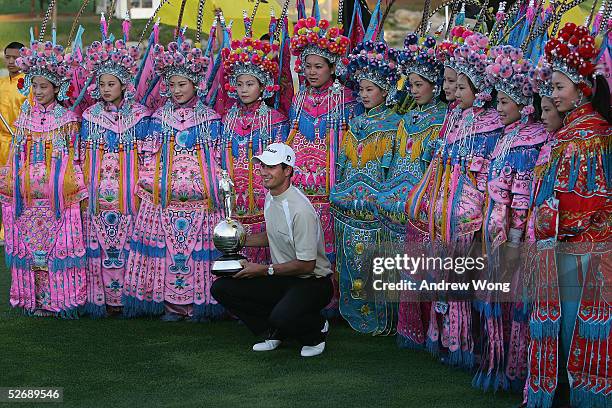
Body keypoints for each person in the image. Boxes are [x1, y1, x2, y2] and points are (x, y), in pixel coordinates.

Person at [524, 24, 611, 408]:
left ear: (582, 87)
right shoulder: (572, 132)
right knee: (566, 331)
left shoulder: (589, 134)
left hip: (581, 251)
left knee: (576, 333)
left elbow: (588, 202)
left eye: (560, 87)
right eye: (553, 87)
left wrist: (548, 222)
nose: (554, 95)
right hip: (567, 248)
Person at [406, 32, 503, 368]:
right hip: (447, 203)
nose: (453, 91)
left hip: (469, 210)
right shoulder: (455, 116)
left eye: (460, 85)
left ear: (480, 89)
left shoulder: (489, 125)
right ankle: (446, 337)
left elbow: (485, 178)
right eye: (452, 84)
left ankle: (466, 343)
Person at [122, 39, 224, 321]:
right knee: (167, 250)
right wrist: (150, 186)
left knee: (197, 251)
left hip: (202, 201)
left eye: (183, 84)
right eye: (172, 84)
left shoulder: (210, 119)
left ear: (196, 84)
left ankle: (198, 302)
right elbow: (148, 157)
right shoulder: (158, 119)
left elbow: (217, 160)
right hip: (164, 199)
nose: (177, 90)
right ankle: (171, 304)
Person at [211, 143, 334, 357]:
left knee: (282, 315)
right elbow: (276, 236)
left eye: (271, 166)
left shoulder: (300, 210)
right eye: (262, 166)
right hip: (283, 278)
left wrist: (262, 270)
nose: (263, 172)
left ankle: (316, 330)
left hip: (313, 282)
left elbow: (307, 264)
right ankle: (273, 331)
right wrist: (238, 240)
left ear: (288, 171)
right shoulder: (271, 197)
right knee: (221, 288)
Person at [472, 45, 546, 392]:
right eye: (498, 101)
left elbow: (521, 200)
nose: (497, 108)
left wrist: (514, 242)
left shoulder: (529, 142)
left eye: (503, 102)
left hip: (513, 241)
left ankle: (515, 372)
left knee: (514, 302)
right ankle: (499, 366)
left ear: (523, 105)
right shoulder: (508, 137)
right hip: (496, 234)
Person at [0, 40, 88, 318]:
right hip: (28, 199)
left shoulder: (68, 119)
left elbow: (76, 157)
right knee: (32, 250)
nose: (38, 92)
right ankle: (34, 300)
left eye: (44, 87)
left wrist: (75, 190)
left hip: (59, 198)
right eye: (35, 86)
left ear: (57, 88)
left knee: (56, 250)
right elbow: (17, 156)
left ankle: (60, 300)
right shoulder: (24, 118)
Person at [287, 17, 362, 317]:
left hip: (332, 186)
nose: (313, 72)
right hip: (303, 189)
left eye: (319, 66)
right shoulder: (298, 97)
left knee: (332, 245)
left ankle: (333, 302)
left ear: (332, 67)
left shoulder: (346, 98)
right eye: (308, 66)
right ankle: (303, 297)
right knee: (306, 244)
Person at [330, 40, 403, 335]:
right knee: (352, 259)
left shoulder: (395, 122)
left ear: (384, 91)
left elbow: (394, 166)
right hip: (351, 206)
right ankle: (355, 312)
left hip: (376, 208)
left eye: (369, 89)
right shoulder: (356, 122)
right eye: (360, 89)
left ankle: (384, 317)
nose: (363, 94)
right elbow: (345, 164)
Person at [79, 35, 150, 317]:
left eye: (111, 84)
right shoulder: (89, 116)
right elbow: (81, 157)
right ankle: (104, 301)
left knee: (128, 243)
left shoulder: (141, 116)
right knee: (101, 245)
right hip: (98, 195)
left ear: (124, 85)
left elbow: (148, 157)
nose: (106, 89)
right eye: (102, 84)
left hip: (130, 195)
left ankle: (129, 299)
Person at [387, 33, 447, 349]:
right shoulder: (408, 116)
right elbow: (398, 158)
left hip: (427, 195)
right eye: (409, 84)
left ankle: (428, 327)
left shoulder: (443, 118)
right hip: (404, 193)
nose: (412, 89)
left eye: (418, 84)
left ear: (434, 85)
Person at [219, 36, 289, 265]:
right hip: (233, 200)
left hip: (264, 198)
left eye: (250, 84)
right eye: (239, 84)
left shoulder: (276, 120)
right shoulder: (227, 119)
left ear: (262, 85)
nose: (243, 89)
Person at [0, 42, 27, 245]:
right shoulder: (1, 84)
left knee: (16, 188)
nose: (10, 61)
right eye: (7, 57)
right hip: (1, 142)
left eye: (15, 57)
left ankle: (12, 229)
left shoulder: (29, 85)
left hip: (19, 143)